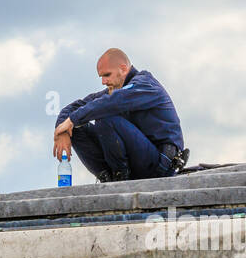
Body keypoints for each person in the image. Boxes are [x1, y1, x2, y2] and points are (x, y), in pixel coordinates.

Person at [53, 48, 187, 182]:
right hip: (135, 161)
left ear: (123, 69)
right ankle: (107, 177)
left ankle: (120, 178)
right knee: (76, 126)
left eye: (107, 75)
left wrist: (72, 120)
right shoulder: (114, 92)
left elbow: (112, 103)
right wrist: (62, 130)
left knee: (104, 116)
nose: (103, 82)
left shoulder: (145, 85)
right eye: (101, 77)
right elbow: (75, 107)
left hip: (157, 165)